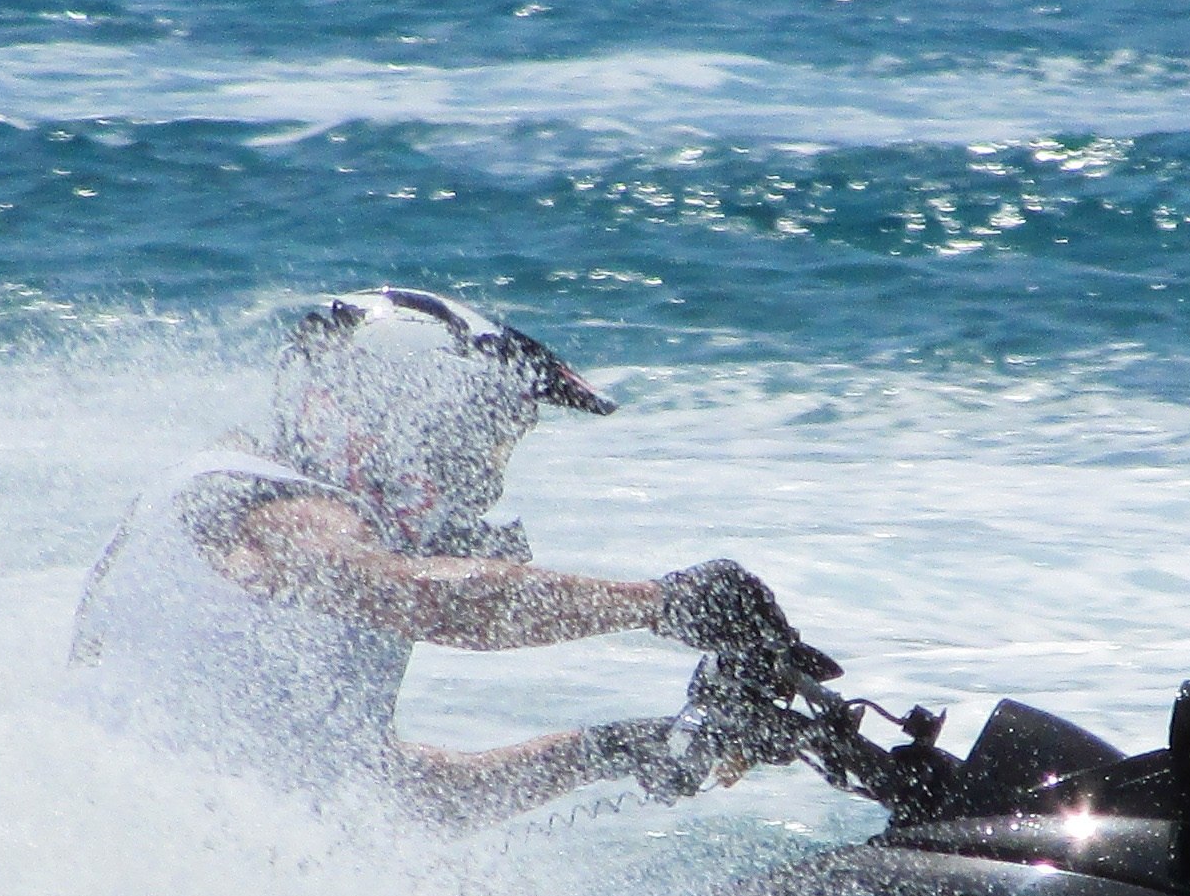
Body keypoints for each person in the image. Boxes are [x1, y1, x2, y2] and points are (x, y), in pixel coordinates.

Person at [68, 287, 830, 825]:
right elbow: (426, 600)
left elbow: (389, 799)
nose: (490, 477)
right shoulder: (271, 507)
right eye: (476, 440)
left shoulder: (263, 517)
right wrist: (667, 603)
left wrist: (618, 747)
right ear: (387, 415)